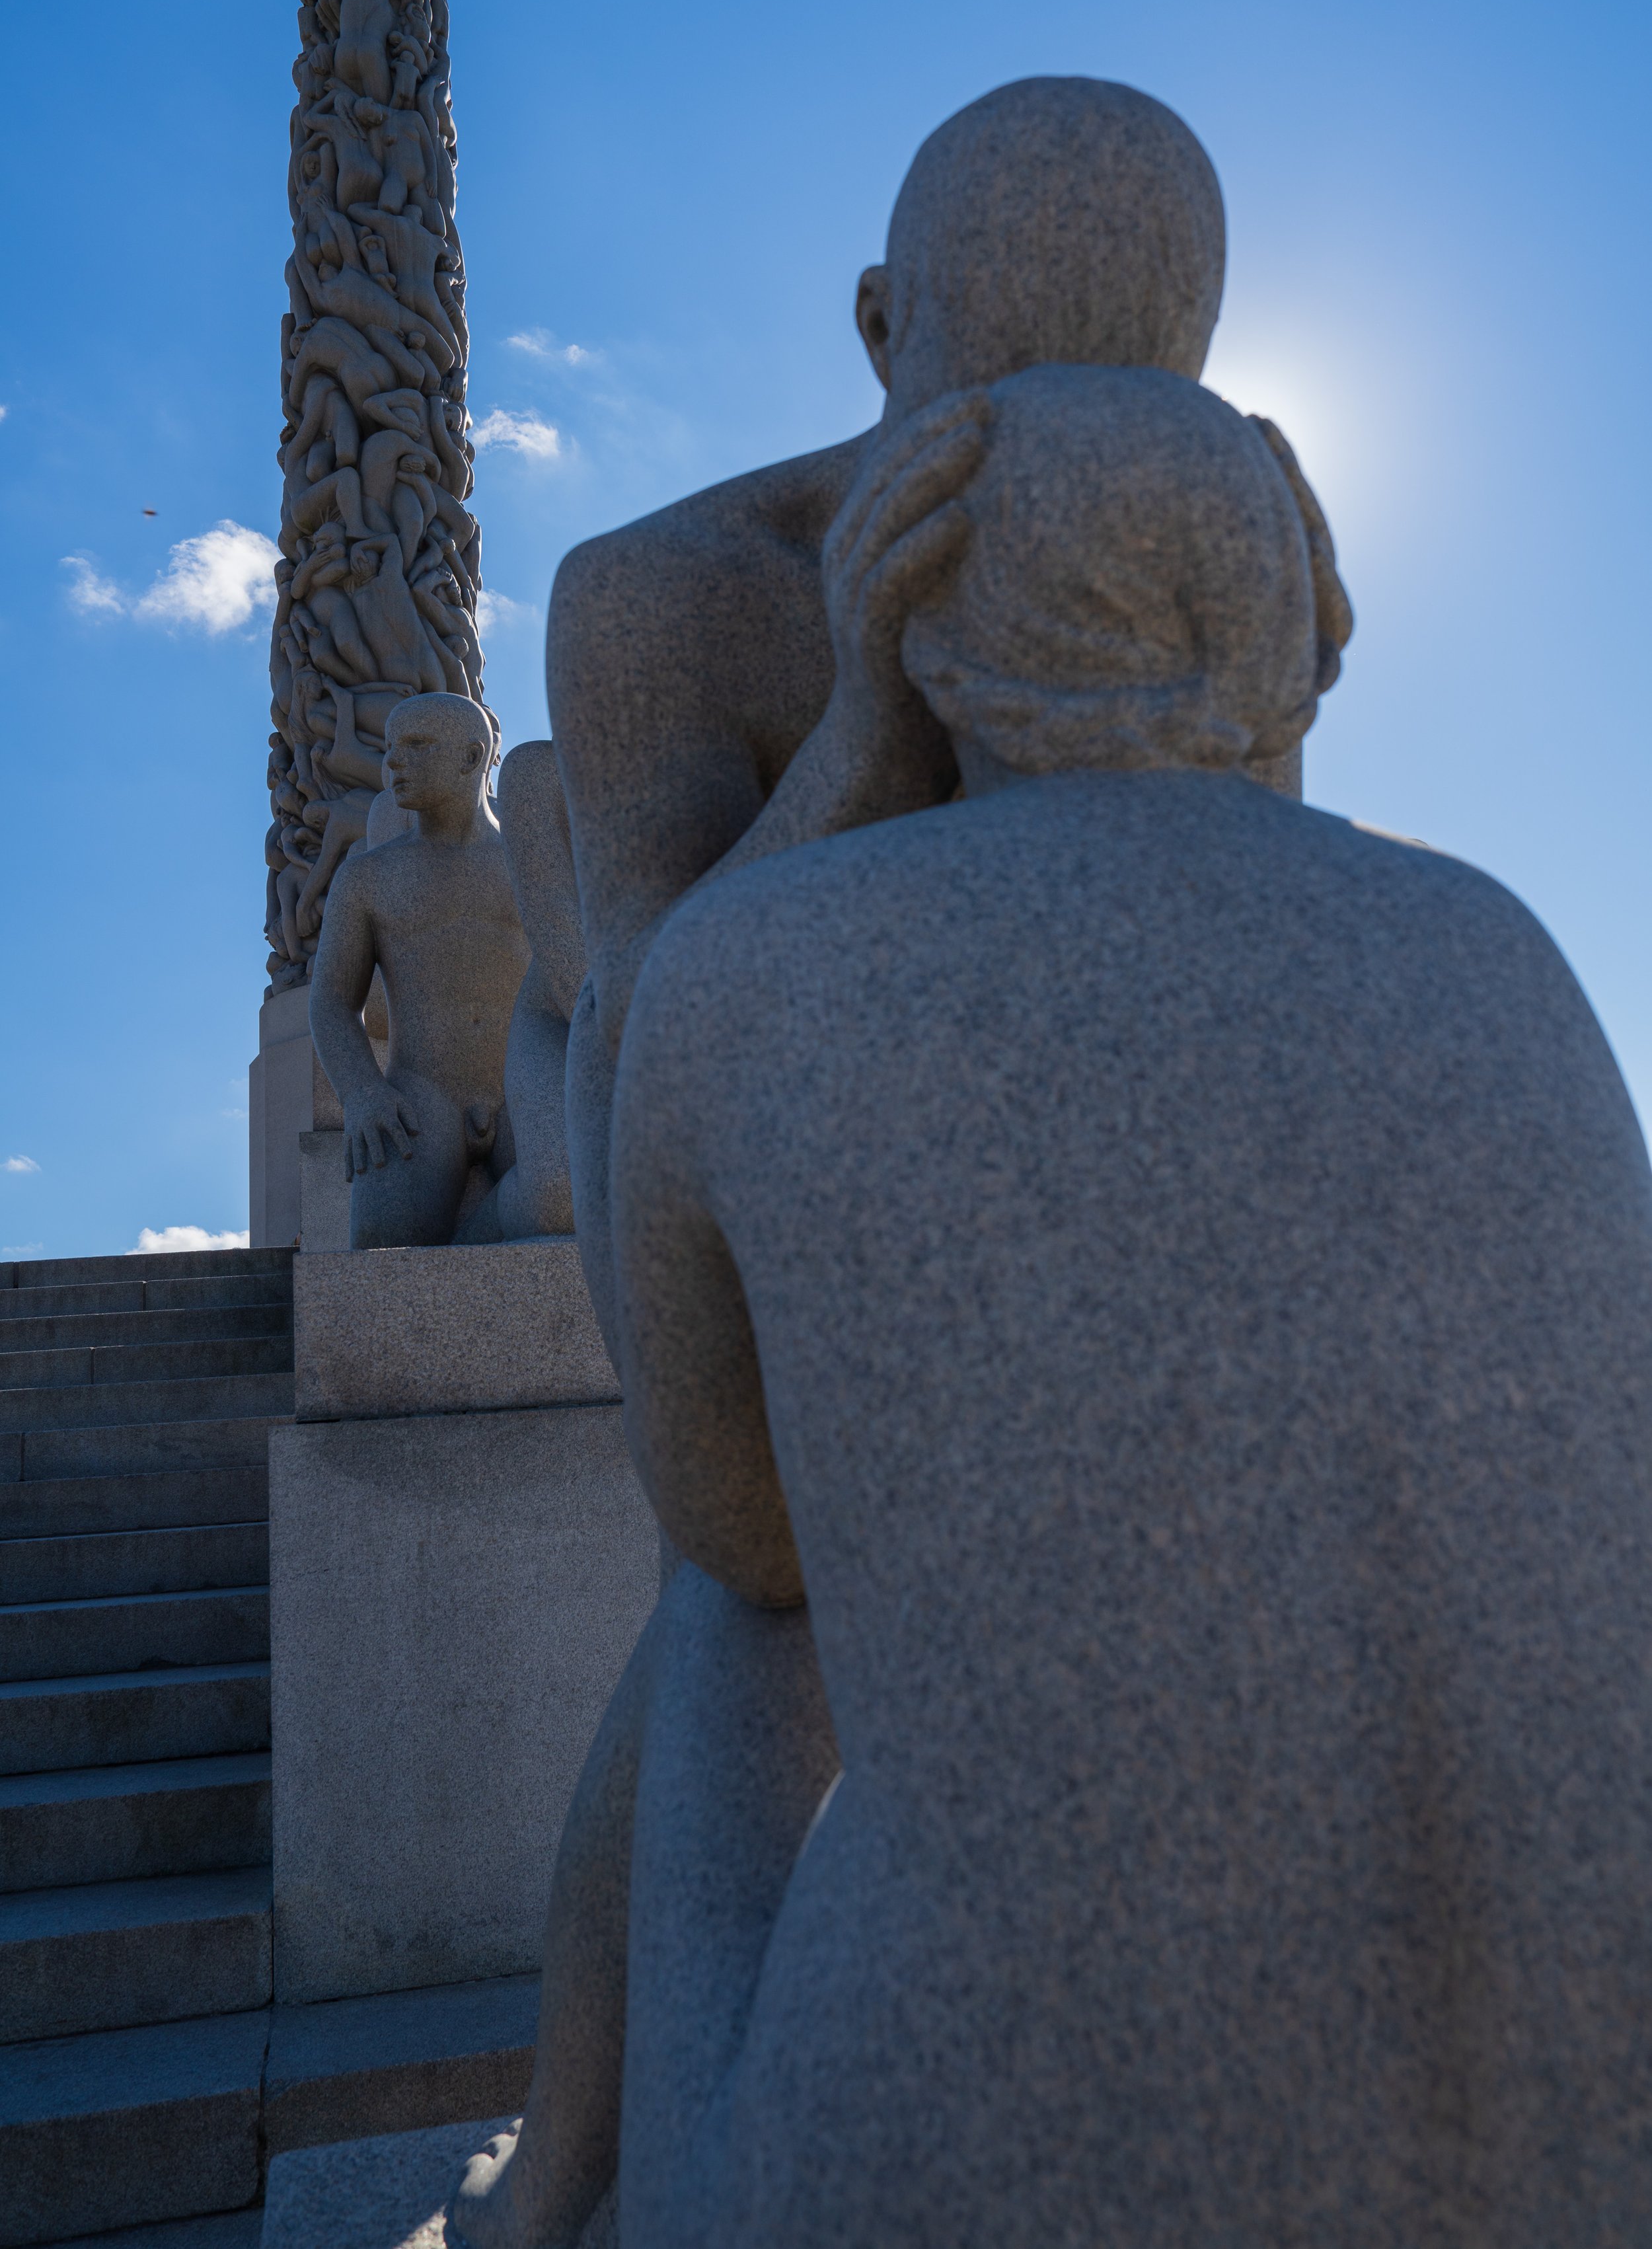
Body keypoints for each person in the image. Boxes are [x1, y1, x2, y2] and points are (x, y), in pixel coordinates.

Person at [604, 363, 1652, 2244]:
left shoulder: (748, 967)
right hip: (1593, 2139)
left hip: (935, 2152)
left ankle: (595, 2191)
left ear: (914, 612)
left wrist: (856, 733)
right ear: (1288, 606)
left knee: (725, 1611)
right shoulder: (1501, 943)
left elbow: (732, 1520)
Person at [450, 76, 1351, 2248]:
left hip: (1060, 1199)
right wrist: (864, 717)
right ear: (876, 334)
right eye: (1010, 375)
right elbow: (647, 1045)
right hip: (743, 1194)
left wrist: (1269, 704)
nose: (1069, 440)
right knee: (754, 1599)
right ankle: (590, 2163)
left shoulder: (1169, 548)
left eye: (1132, 390)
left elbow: (1243, 967)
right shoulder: (681, 596)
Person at [309, 693, 527, 1248]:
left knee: (573, 1199)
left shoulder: (530, 862)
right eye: (390, 749)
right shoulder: (368, 878)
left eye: (417, 745)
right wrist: (361, 1093)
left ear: (472, 758)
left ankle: (469, 1243)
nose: (393, 763)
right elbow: (333, 1000)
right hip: (421, 1096)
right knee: (386, 1236)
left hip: (525, 1085)